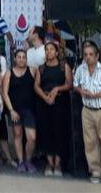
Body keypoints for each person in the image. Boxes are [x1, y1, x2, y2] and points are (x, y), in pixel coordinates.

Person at [73, 40, 101, 185]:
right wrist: (81, 91)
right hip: (87, 110)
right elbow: (75, 85)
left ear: (97, 56)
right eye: (85, 55)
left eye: (91, 54)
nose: (88, 57)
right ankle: (95, 171)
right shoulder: (80, 69)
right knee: (90, 142)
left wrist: (95, 95)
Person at [34, 41, 72, 177]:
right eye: (47, 50)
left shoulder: (63, 66)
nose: (49, 52)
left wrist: (57, 89)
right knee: (46, 132)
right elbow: (36, 85)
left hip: (60, 104)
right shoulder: (41, 68)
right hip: (44, 104)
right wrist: (45, 97)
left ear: (57, 52)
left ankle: (58, 163)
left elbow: (69, 84)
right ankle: (50, 162)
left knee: (59, 132)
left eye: (51, 49)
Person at [1, 49, 37, 173]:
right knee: (17, 134)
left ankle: (28, 160)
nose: (21, 59)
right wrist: (11, 110)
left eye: (23, 57)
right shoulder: (9, 73)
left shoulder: (33, 70)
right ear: (15, 59)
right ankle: (21, 161)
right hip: (14, 109)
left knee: (31, 137)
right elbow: (4, 93)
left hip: (29, 109)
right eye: (19, 57)